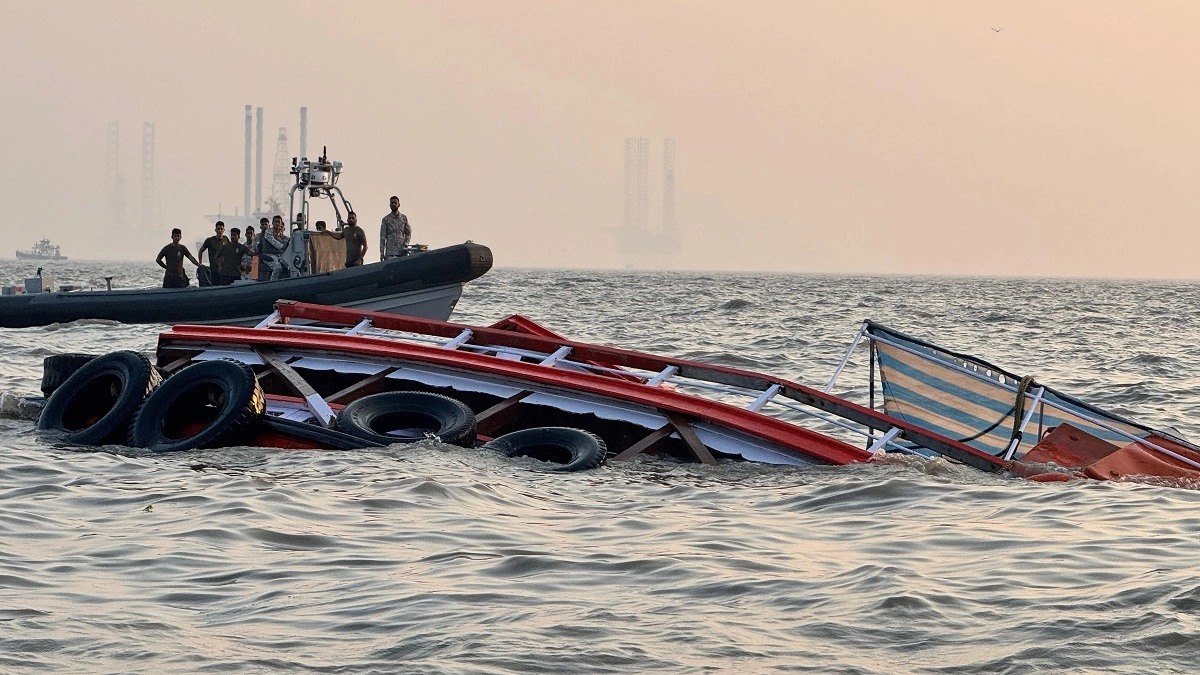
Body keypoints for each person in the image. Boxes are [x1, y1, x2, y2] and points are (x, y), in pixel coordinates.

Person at [197, 221, 229, 285]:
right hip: (214, 269)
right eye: (218, 229)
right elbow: (201, 251)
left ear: (224, 230)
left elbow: (230, 251)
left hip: (224, 269)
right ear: (215, 230)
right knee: (215, 285)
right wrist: (200, 263)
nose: (220, 231)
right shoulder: (210, 241)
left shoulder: (226, 239)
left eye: (221, 229)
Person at [379, 195, 410, 260]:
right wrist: (382, 253)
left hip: (402, 252)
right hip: (390, 253)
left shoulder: (404, 218)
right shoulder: (386, 219)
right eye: (392, 203)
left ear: (399, 204)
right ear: (390, 205)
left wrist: (406, 244)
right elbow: (382, 237)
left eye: (395, 203)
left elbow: (408, 233)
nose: (393, 204)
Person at [259, 215, 290, 280]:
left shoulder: (281, 234)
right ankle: (272, 282)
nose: (277, 223)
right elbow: (273, 242)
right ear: (272, 223)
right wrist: (283, 247)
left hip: (279, 255)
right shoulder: (268, 232)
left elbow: (288, 242)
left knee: (289, 265)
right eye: (275, 222)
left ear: (281, 223)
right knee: (277, 267)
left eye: (278, 222)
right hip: (268, 255)